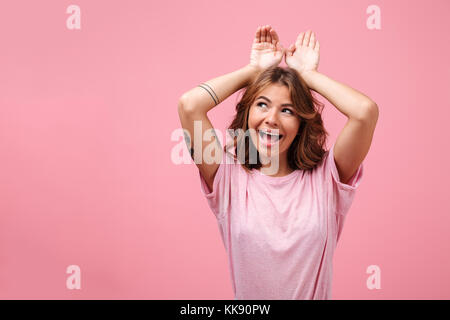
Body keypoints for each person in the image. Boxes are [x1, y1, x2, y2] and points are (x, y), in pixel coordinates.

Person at [177, 25, 379, 300]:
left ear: (301, 123)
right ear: (247, 114)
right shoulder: (228, 177)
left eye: (287, 110)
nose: (272, 118)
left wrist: (308, 76)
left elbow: (365, 112)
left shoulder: (327, 177)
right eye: (262, 104)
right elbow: (190, 105)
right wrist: (252, 71)